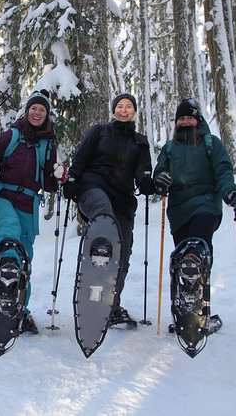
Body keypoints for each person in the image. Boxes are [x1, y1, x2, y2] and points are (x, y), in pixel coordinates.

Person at [63, 93, 155, 326]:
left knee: (123, 252)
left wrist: (147, 182)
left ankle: (111, 307)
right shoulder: (99, 131)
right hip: (93, 190)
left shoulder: (140, 142)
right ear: (114, 110)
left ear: (134, 111)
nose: (124, 110)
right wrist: (72, 179)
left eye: (129, 107)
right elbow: (80, 159)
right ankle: (98, 255)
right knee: (105, 214)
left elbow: (143, 171)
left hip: (123, 201)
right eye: (120, 106)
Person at [0, 89, 66, 334]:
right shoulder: (11, 136)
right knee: (9, 230)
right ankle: (2, 290)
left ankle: (20, 310)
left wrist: (59, 176)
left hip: (28, 202)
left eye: (42, 110)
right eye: (34, 108)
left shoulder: (47, 144)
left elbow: (49, 185)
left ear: (47, 115)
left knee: (25, 255)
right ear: (27, 111)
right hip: (3, 196)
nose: (37, 113)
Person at [152, 97, 236, 259]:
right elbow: (159, 172)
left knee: (197, 246)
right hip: (178, 210)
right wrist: (160, 179)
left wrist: (230, 192)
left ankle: (199, 271)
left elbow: (222, 169)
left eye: (190, 118)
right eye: (181, 118)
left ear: (198, 121)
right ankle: (185, 282)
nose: (185, 121)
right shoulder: (169, 148)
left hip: (206, 203)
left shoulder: (211, 143)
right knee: (182, 256)